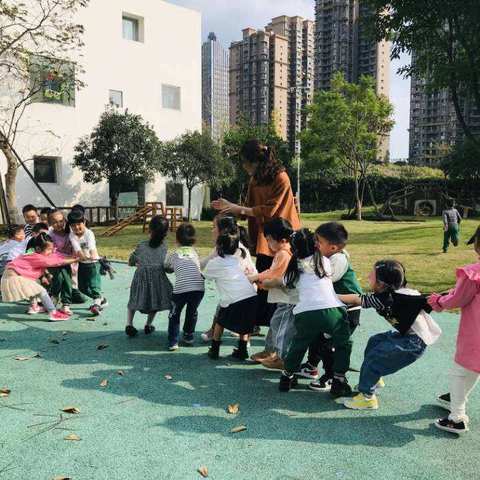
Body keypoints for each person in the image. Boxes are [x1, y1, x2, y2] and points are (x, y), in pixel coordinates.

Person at [211, 139, 300, 333]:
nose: (243, 166)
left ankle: (275, 326)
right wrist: (229, 207)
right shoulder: (255, 180)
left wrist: (238, 208)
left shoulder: (281, 177)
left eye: (245, 161)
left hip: (281, 238)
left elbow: (269, 210)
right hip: (264, 237)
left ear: (256, 161)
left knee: (278, 282)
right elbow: (247, 209)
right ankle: (255, 325)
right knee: (262, 282)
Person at [338, 260, 442, 410]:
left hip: (413, 343)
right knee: (375, 341)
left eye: (372, 275)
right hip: (407, 337)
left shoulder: (388, 298)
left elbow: (357, 299)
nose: (368, 276)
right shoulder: (396, 294)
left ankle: (367, 398)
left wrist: (331, 296)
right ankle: (374, 379)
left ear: (381, 284)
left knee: (374, 359)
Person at [279, 229, 353, 399]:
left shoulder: (293, 267)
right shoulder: (324, 262)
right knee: (343, 343)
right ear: (315, 244)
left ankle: (286, 377)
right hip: (332, 310)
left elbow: (286, 283)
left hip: (305, 313)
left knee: (299, 345)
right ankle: (338, 379)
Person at [428, 226, 480, 434]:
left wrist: (438, 300)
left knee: (460, 370)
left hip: (476, 334)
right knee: (473, 369)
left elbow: (457, 299)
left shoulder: (474, 273)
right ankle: (456, 397)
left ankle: (457, 417)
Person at [302, 222, 363, 391]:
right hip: (333, 308)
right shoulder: (326, 256)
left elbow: (325, 278)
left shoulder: (338, 259)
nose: (315, 244)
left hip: (347, 311)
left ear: (333, 247)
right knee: (317, 337)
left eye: (319, 242)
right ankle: (311, 366)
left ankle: (331, 377)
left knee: (331, 345)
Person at [203, 228, 258, 360]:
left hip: (232, 299)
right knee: (245, 325)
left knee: (220, 322)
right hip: (250, 296)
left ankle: (215, 349)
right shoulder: (236, 261)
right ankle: (242, 350)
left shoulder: (215, 263)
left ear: (218, 246)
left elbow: (206, 275)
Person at [247, 217, 294, 370]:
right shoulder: (284, 252)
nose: (267, 243)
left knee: (280, 328)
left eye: (269, 239)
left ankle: (280, 357)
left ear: (281, 239)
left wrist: (256, 277)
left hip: (288, 300)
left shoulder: (283, 254)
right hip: (284, 299)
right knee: (276, 324)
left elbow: (274, 273)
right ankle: (270, 352)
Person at [0, 233, 76, 321]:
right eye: (49, 249)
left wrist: (46, 274)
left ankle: (34, 307)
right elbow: (56, 262)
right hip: (12, 278)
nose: (51, 252)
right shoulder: (37, 256)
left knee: (33, 287)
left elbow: (53, 257)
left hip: (9, 276)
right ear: (38, 249)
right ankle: (53, 312)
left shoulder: (31, 253)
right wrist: (76, 259)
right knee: (41, 290)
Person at [126, 215, 173, 337]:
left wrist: (134, 262)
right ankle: (148, 324)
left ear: (149, 230)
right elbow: (166, 266)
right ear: (165, 233)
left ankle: (129, 324)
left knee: (134, 300)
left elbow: (131, 260)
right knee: (155, 301)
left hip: (140, 279)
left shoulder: (141, 245)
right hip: (157, 280)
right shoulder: (164, 247)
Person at [164, 223, 205, 350]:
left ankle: (173, 341)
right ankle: (188, 335)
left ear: (177, 239)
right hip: (198, 288)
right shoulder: (195, 252)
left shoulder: (174, 253)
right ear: (194, 239)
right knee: (192, 312)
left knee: (174, 313)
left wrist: (171, 269)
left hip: (181, 289)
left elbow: (166, 266)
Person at [67, 209, 108, 315]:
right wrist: (82, 256)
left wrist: (93, 255)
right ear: (70, 226)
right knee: (82, 288)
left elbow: (92, 247)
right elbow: (77, 249)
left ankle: (96, 305)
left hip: (93, 264)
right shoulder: (72, 235)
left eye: (79, 224)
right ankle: (101, 299)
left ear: (84, 222)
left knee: (94, 286)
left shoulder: (89, 233)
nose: (76, 227)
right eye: (73, 225)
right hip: (82, 264)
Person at [49, 209, 85, 305]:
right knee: (62, 275)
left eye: (61, 221)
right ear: (50, 224)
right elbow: (53, 254)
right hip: (59, 264)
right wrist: (69, 259)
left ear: (65, 220)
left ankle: (68, 293)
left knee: (81, 298)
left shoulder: (70, 232)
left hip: (73, 263)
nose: (59, 224)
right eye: (55, 222)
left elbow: (79, 244)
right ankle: (58, 297)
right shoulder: (50, 236)